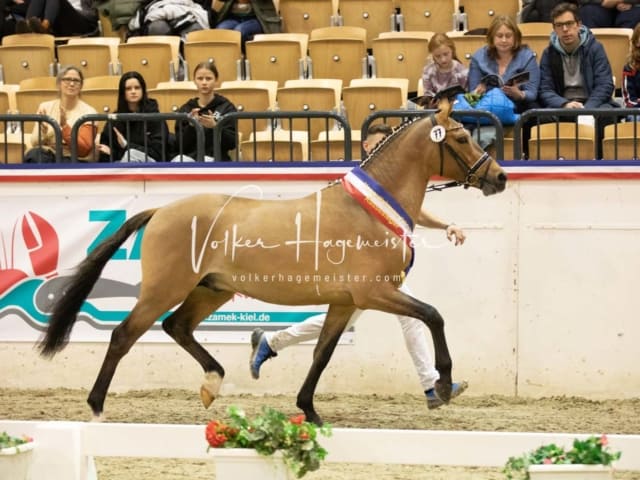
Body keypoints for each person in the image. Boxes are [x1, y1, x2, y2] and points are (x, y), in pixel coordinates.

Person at [249, 123, 469, 410]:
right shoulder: (360, 182)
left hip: (375, 266)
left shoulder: (384, 181)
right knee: (403, 316)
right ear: (366, 147)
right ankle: (430, 386)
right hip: (357, 265)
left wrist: (445, 224)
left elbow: (412, 212)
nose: (383, 150)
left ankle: (271, 341)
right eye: (378, 144)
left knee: (355, 321)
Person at [538, 2, 620, 157]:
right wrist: (564, 104)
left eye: (569, 24)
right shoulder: (548, 53)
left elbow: (605, 84)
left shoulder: (595, 48)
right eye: (559, 25)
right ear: (554, 28)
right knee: (540, 117)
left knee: (606, 116)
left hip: (592, 102)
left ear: (579, 24)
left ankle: (601, 163)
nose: (565, 29)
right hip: (563, 104)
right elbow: (545, 89)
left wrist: (587, 109)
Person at [468, 15, 541, 115]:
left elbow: (532, 93)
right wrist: (478, 93)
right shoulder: (479, 57)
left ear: (515, 37)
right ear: (492, 37)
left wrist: (520, 94)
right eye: (499, 36)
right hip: (488, 108)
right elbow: (471, 97)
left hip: (518, 108)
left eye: (508, 36)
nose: (504, 40)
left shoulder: (527, 57)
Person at [24, 66, 97, 163]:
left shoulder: (89, 112)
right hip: (48, 155)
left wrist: (65, 127)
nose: (71, 84)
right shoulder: (45, 107)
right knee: (34, 155)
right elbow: (34, 143)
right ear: (59, 83)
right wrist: (42, 132)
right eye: (67, 79)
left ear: (81, 86)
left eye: (76, 80)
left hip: (74, 159)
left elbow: (83, 150)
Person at [172, 61, 237, 162]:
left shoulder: (227, 107)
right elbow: (179, 145)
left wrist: (215, 127)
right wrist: (191, 126)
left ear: (216, 80)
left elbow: (232, 143)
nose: (204, 82)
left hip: (217, 159)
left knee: (206, 160)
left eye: (208, 78)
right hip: (191, 158)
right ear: (194, 81)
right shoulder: (186, 109)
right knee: (177, 160)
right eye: (200, 78)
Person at [97, 71, 168, 163]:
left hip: (151, 166)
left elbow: (158, 153)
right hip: (121, 165)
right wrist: (110, 153)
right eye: (128, 89)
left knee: (131, 154)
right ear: (123, 93)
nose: (133, 92)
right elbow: (107, 148)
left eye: (137, 88)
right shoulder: (116, 119)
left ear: (143, 90)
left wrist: (127, 145)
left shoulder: (154, 117)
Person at [421, 32, 469, 106]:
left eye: (446, 54)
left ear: (452, 51)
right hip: (436, 110)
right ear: (432, 55)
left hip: (457, 109)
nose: (443, 59)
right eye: (438, 56)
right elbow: (427, 93)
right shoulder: (428, 71)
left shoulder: (461, 71)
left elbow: (466, 95)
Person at [212, 0, 281, 46]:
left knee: (240, 31)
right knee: (220, 30)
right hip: (233, 17)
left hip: (257, 18)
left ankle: (244, 57)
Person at [16, 0, 98, 35]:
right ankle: (27, 26)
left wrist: (73, 10)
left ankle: (45, 27)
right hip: (59, 22)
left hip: (82, 24)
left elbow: (94, 15)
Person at [622, 23, 640, 109]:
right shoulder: (630, 68)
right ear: (637, 42)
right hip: (637, 110)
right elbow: (628, 100)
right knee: (633, 118)